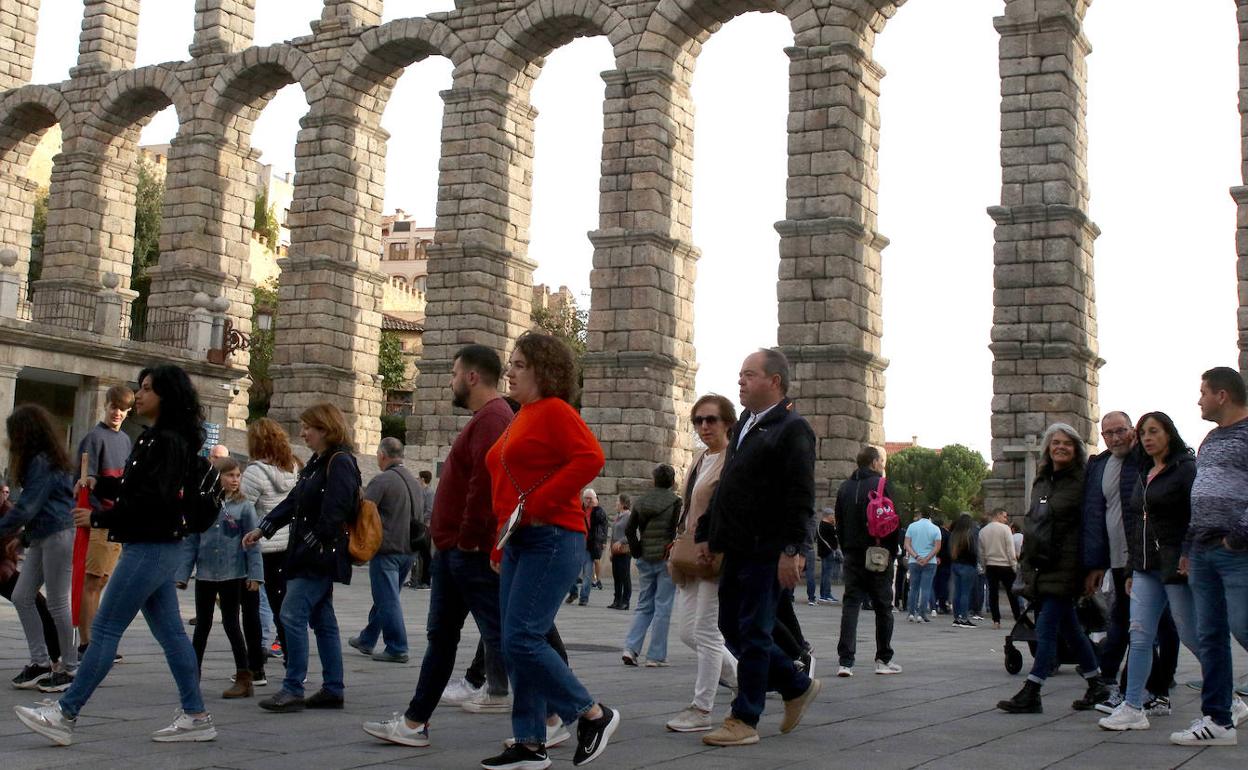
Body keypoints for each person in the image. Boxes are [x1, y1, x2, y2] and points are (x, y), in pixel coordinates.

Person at [15, 364, 217, 745]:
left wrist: (100, 516)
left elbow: (151, 500)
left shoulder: (167, 441)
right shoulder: (156, 437)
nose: (138, 395)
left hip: (151, 545)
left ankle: (65, 713)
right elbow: (135, 487)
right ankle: (196, 715)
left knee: (106, 629)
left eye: (146, 389)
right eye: (139, 388)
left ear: (166, 396)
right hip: (154, 544)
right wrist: (101, 482)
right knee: (172, 635)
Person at [363, 345, 519, 750]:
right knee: (445, 635)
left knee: (506, 634)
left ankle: (559, 713)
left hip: (466, 551)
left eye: (453, 374)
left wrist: (466, 540)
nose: (449, 381)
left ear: (471, 377)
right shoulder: (486, 418)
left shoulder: (492, 418)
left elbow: (483, 488)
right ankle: (415, 723)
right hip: (454, 550)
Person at [479, 332, 618, 769]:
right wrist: (499, 544)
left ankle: (592, 713)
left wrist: (540, 502)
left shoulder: (554, 410)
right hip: (520, 540)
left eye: (519, 364)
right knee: (511, 640)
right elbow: (507, 487)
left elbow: (590, 458)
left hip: (553, 536)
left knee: (522, 638)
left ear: (544, 370)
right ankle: (529, 742)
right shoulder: (522, 415)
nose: (510, 371)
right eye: (511, 363)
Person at [694, 348, 819, 747]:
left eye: (749, 375)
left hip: (768, 548)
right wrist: (708, 536)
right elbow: (729, 487)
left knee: (753, 630)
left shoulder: (793, 429)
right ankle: (796, 684)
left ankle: (744, 717)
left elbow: (801, 496)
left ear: (774, 382)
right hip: (737, 546)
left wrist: (792, 549)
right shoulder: (747, 421)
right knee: (731, 627)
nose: (740, 382)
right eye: (740, 375)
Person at [243, 402, 358, 713]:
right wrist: (263, 528)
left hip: (317, 557)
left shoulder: (340, 462)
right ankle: (333, 688)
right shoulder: (318, 462)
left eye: (309, 427)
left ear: (325, 429)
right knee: (323, 622)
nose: (303, 432)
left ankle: (293, 687)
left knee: (291, 615)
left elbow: (337, 510)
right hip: (312, 554)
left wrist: (311, 541)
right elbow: (295, 499)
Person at [1096, 411, 1206, 730]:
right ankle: (1133, 706)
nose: (1147, 437)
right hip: (1145, 568)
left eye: (1153, 431)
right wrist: (1131, 569)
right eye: (1143, 432)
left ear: (1168, 434)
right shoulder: (1145, 471)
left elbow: (1197, 515)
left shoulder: (1186, 470)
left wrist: (1187, 552)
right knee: (1140, 635)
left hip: (1174, 566)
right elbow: (1138, 526)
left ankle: (1226, 696)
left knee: (1191, 635)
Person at [997, 422, 1105, 714]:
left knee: (1046, 629)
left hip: (1069, 565)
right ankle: (1097, 684)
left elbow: (1093, 525)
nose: (1060, 447)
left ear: (1076, 449)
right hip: (1040, 565)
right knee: (1070, 629)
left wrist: (1094, 565)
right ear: (1048, 447)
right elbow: (1034, 523)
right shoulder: (1042, 480)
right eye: (1055, 442)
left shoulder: (1084, 481)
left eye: (1067, 443)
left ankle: (1033, 689)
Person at [1169, 367, 1248, 746]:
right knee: (1211, 635)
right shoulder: (1211, 439)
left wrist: (1238, 537)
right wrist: (1188, 547)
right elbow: (1199, 495)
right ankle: (1218, 721)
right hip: (1202, 550)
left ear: (1222, 395)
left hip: (1236, 550)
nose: (1198, 400)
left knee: (1244, 625)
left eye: (1203, 392)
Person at [665, 394, 739, 733]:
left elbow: (729, 510)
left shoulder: (733, 460)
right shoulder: (698, 459)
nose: (704, 426)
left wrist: (716, 540)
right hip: (690, 551)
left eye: (711, 419)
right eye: (698, 421)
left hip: (715, 553)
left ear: (727, 423)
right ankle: (746, 679)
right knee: (686, 632)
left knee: (707, 632)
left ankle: (701, 708)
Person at [2, 404, 77, 692]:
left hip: (58, 534)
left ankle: (69, 668)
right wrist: (21, 538)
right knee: (22, 596)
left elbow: (28, 505)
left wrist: (9, 531)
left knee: (58, 603)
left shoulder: (42, 462)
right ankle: (40, 661)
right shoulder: (41, 460)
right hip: (42, 535)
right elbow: (35, 506)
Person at [177, 456, 264, 698]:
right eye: (230, 475)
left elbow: (252, 544)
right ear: (217, 478)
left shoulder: (244, 507)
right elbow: (191, 542)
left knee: (231, 623)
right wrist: (183, 574)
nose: (235, 480)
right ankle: (193, 675)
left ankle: (244, 675)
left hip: (232, 573)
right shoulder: (203, 505)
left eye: (238, 475)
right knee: (202, 625)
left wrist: (255, 575)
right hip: (205, 572)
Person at [1081, 410, 1144, 707]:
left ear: (1133, 430)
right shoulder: (1100, 464)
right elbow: (1094, 515)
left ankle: (1149, 686)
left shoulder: (1145, 458)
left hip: (1145, 558)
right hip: (1117, 560)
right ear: (1102, 436)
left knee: (1149, 624)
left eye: (1121, 430)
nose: (1116, 437)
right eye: (1109, 433)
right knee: (1122, 620)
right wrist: (1096, 562)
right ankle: (1112, 682)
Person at [74, 384, 133, 660]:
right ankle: (88, 642)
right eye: (114, 407)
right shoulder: (94, 438)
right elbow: (85, 481)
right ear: (105, 405)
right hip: (98, 519)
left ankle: (97, 640)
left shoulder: (126, 441)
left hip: (117, 519)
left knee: (103, 582)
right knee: (92, 582)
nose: (117, 413)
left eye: (123, 409)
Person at [833, 446, 902, 677]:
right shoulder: (882, 485)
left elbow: (839, 523)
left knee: (851, 605)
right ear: (874, 463)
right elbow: (894, 521)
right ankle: (883, 659)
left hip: (852, 553)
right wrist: (891, 551)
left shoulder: (844, 487)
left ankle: (846, 662)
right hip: (878, 553)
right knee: (883, 607)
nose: (883, 465)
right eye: (882, 461)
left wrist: (846, 548)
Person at [349, 437, 417, 664]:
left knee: (387, 599)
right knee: (387, 597)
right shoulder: (414, 480)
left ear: (382, 455)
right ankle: (367, 639)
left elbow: (364, 511)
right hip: (409, 549)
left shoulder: (383, 480)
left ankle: (397, 647)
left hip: (387, 547)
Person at [239, 417, 299, 664]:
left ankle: (256, 663)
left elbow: (243, 510)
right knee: (281, 604)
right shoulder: (293, 468)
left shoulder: (254, 473)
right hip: (285, 544)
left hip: (259, 544)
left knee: (252, 605)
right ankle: (291, 659)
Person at [621, 465, 681, 667]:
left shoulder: (641, 501)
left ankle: (631, 648)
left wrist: (637, 550)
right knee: (663, 607)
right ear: (672, 482)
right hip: (665, 557)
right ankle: (655, 656)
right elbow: (674, 530)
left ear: (654, 481)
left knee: (644, 604)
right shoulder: (675, 501)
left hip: (645, 556)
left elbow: (630, 529)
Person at [978, 508, 1020, 629]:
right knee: (1012, 594)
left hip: (991, 565)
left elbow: (981, 552)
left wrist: (984, 565)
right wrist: (1014, 565)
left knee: (993, 594)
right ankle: (1018, 618)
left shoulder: (983, 531)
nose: (1006, 519)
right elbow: (1010, 549)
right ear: (998, 515)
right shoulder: (1005, 529)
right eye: (1005, 516)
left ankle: (996, 620)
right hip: (1005, 565)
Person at [568, 489, 607, 606]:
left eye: (591, 498)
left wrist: (603, 541)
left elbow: (604, 526)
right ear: (583, 499)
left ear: (595, 499)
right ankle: (573, 592)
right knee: (570, 572)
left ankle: (584, 598)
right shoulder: (579, 509)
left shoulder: (598, 511)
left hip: (590, 546)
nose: (589, 501)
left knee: (587, 573)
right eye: (587, 498)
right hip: (578, 544)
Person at [904, 511, 941, 623]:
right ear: (930, 516)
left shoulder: (912, 526)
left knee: (913, 588)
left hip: (914, 561)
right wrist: (927, 558)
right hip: (930, 562)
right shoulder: (935, 528)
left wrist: (916, 556)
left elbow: (907, 544)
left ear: (920, 515)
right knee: (925, 588)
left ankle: (911, 613)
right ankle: (921, 614)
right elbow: (937, 547)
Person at [409, 470, 434, 588]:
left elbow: (429, 510)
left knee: (425, 554)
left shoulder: (429, 493)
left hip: (425, 527)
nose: (417, 480)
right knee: (416, 554)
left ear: (423, 479)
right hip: (419, 526)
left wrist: (420, 519)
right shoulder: (420, 492)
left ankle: (425, 580)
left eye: (418, 478)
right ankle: (414, 578)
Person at [608, 495, 632, 610]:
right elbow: (613, 535)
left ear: (623, 504)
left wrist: (621, 542)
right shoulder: (618, 516)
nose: (615, 503)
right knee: (616, 576)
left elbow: (632, 533)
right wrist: (611, 550)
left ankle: (625, 601)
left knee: (625, 576)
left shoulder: (629, 516)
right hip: (615, 551)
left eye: (617, 501)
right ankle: (617, 599)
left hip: (624, 550)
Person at [816, 509, 840, 604]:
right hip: (829, 552)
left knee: (824, 574)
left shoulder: (820, 525)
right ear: (828, 515)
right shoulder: (828, 527)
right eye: (832, 515)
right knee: (827, 575)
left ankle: (823, 594)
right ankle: (826, 594)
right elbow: (836, 537)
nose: (833, 517)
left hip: (823, 552)